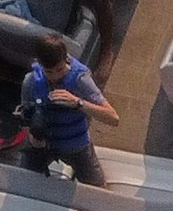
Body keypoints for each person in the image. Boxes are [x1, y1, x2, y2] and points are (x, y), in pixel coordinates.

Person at [21, 32, 118, 188]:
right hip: (43, 144)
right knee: (24, 181)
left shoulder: (80, 80)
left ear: (66, 59)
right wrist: (32, 135)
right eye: (49, 72)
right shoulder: (30, 82)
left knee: (98, 189)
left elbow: (113, 118)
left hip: (76, 145)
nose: (54, 76)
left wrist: (78, 103)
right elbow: (25, 115)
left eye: (60, 70)